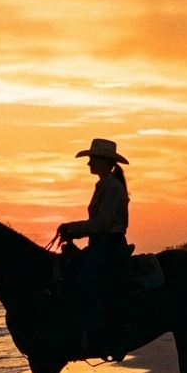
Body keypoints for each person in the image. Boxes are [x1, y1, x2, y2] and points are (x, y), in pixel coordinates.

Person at [56, 138, 131, 360]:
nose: (89, 164)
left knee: (84, 282)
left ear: (105, 161)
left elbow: (103, 222)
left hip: (109, 244)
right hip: (100, 244)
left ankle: (99, 340)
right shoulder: (103, 185)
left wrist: (73, 229)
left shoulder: (112, 187)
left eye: (92, 159)